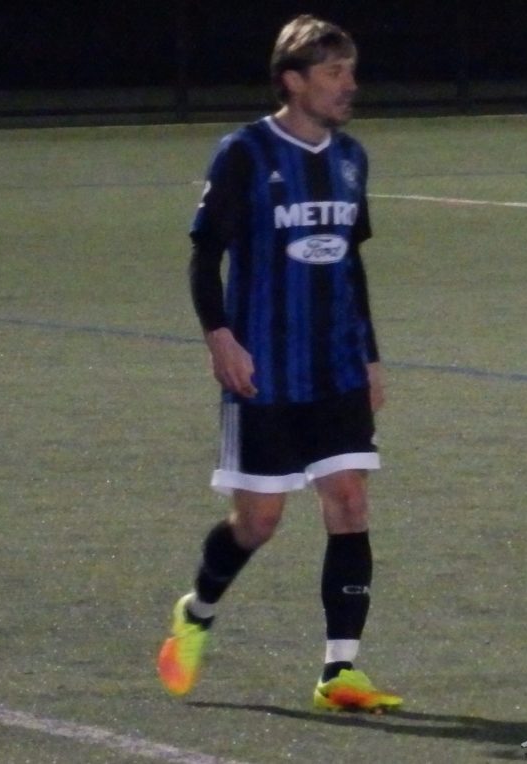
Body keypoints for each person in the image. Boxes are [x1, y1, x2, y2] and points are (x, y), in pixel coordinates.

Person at [156, 14, 401, 713]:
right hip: (265, 369)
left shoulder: (350, 159)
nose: (348, 85)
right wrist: (220, 337)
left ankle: (339, 672)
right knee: (258, 522)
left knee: (349, 500)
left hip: (336, 366)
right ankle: (197, 611)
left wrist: (370, 356)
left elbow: (349, 263)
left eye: (351, 72)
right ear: (293, 81)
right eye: (333, 73)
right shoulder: (244, 152)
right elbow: (206, 253)